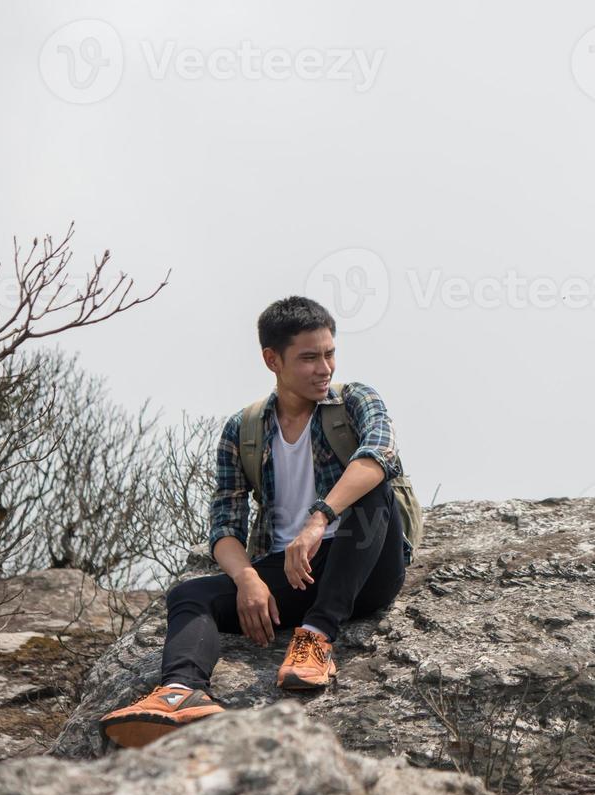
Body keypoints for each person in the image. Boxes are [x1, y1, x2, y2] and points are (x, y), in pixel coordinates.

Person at [99, 296, 408, 748]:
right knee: (190, 595)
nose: (324, 367)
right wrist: (247, 579)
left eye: (330, 353)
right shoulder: (243, 429)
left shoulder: (355, 400)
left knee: (371, 486)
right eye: (309, 358)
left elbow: (378, 456)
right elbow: (224, 525)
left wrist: (318, 519)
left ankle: (318, 637)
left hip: (366, 567)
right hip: (293, 573)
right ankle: (180, 694)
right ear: (272, 360)